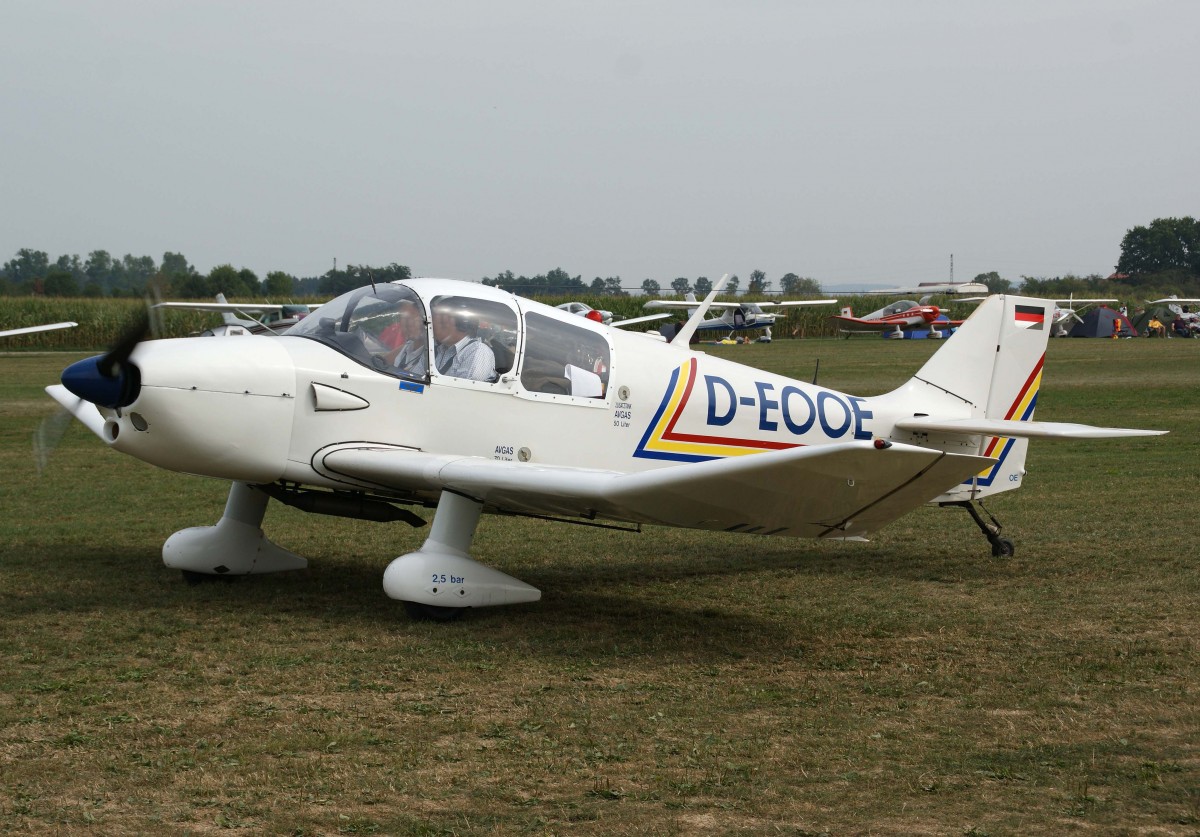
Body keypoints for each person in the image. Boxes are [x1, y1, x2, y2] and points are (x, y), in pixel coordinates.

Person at [431, 300, 497, 382]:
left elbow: (463, 391)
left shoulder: (477, 351)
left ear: (461, 325)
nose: (434, 328)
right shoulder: (439, 349)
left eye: (442, 323)